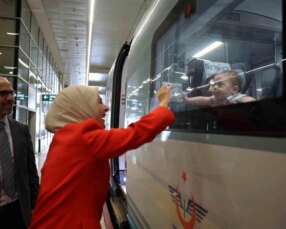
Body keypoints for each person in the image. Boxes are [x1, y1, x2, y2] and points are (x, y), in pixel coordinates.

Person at [29, 84, 175, 229]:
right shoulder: (82, 137)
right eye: (99, 102)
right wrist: (163, 105)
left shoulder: (65, 137)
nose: (106, 107)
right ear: (80, 107)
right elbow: (135, 134)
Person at [0, 76, 39, 229]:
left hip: (18, 209)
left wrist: (35, 206)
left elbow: (31, 172)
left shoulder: (21, 130)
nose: (10, 98)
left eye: (12, 93)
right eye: (3, 93)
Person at [182, 70, 256, 107]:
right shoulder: (215, 98)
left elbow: (248, 100)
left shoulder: (236, 97)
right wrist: (188, 100)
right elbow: (203, 99)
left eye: (220, 84)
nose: (215, 87)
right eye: (214, 84)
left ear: (234, 90)